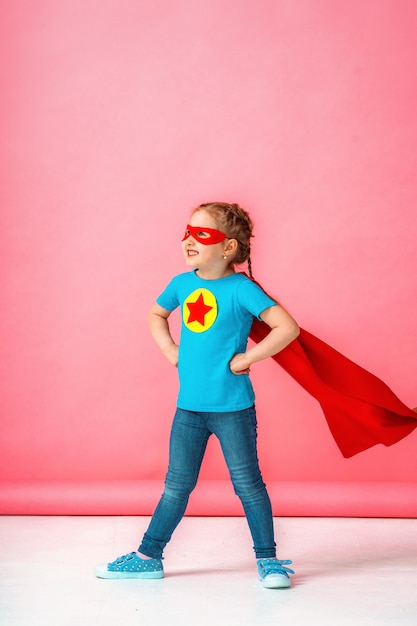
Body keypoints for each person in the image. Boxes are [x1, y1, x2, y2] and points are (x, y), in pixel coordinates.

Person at [95, 202, 300, 589]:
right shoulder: (181, 283)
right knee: (176, 486)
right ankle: (147, 556)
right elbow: (156, 315)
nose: (190, 239)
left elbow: (286, 327)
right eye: (187, 232)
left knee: (248, 485)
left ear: (229, 248)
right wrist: (171, 351)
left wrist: (247, 359)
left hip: (233, 409)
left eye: (202, 234)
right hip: (188, 410)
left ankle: (269, 560)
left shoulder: (242, 289)